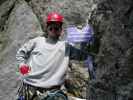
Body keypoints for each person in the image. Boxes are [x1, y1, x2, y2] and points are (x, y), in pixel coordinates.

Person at [16, 12, 89, 100]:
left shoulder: (66, 47)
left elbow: (84, 55)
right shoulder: (37, 41)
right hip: (29, 88)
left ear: (61, 30)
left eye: (57, 27)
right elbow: (21, 53)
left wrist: (83, 40)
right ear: (47, 28)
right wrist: (22, 64)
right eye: (51, 27)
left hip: (52, 92)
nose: (54, 29)